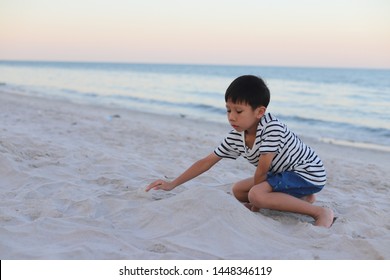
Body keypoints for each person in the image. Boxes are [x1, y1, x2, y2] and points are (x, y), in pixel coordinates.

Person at [146, 75, 334, 228]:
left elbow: (263, 169)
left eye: (238, 111)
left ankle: (320, 212)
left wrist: (256, 204)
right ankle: (303, 197)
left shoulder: (272, 127)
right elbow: (207, 161)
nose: (231, 117)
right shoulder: (237, 136)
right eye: (228, 110)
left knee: (255, 195)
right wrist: (172, 184)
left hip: (308, 173)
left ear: (259, 112)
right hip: (283, 175)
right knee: (238, 190)